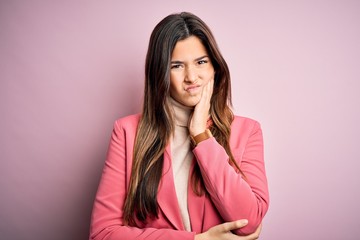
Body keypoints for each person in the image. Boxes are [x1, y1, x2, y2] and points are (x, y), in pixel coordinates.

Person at [90, 12, 269, 240]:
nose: (191, 77)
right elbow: (103, 234)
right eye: (176, 66)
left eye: (201, 62)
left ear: (215, 67)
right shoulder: (127, 132)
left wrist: (201, 136)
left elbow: (248, 222)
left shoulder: (247, 131)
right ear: (160, 73)